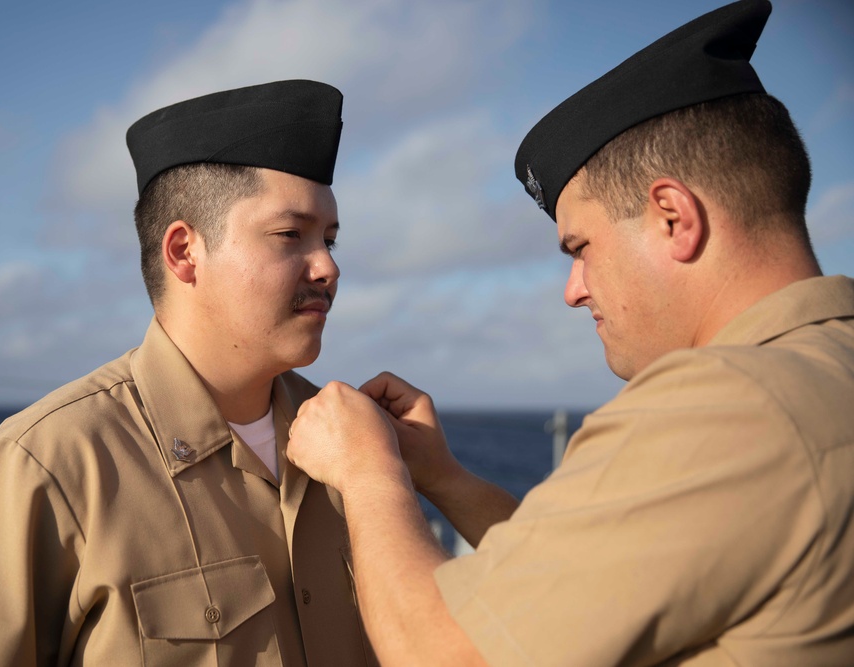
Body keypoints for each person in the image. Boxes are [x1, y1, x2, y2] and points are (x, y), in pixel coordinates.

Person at [286, 2, 854, 665]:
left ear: (674, 217)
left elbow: (444, 654)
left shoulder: (727, 404)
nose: (574, 288)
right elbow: (591, 583)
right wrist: (447, 479)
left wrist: (368, 471)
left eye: (580, 247)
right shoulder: (824, 367)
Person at [0, 80, 378, 666]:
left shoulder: (359, 445)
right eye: (289, 235)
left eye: (329, 239)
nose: (329, 266)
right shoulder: (52, 463)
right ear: (184, 252)